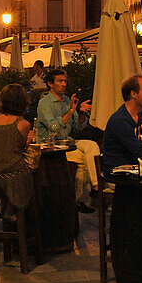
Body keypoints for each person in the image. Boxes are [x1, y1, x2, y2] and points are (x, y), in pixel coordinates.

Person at [36, 68, 99, 214]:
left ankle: (96, 187)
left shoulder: (66, 101)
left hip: (67, 143)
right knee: (82, 160)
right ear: (50, 84)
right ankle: (76, 201)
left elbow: (79, 125)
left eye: (65, 81)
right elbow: (53, 127)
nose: (64, 84)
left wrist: (81, 112)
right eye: (60, 81)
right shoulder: (44, 103)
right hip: (51, 146)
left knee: (91, 145)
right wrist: (71, 111)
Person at [0, 84, 36, 211]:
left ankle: (8, 208)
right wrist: (29, 139)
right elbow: (21, 147)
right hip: (11, 174)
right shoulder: (23, 124)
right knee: (31, 172)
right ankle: (15, 211)